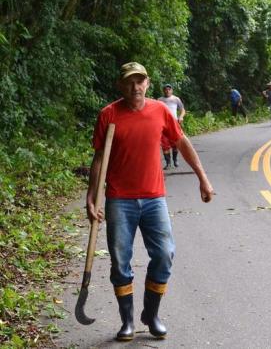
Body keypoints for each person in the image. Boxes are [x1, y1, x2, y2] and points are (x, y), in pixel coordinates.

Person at [85, 62, 215, 342]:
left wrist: (202, 177)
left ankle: (151, 315)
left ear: (148, 82)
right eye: (130, 81)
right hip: (119, 200)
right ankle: (127, 321)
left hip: (154, 198)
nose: (135, 86)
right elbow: (98, 159)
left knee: (165, 254)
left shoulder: (159, 111)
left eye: (140, 81)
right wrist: (91, 197)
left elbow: (181, 142)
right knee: (120, 262)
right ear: (121, 85)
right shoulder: (108, 114)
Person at [158, 84, 186, 169]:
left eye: (169, 89)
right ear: (163, 91)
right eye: (166, 89)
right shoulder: (159, 100)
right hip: (163, 124)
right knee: (165, 144)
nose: (167, 91)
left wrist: (181, 117)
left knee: (175, 143)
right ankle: (168, 163)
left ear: (172, 90)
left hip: (174, 123)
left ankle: (175, 160)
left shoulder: (176, 99)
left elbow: (183, 110)